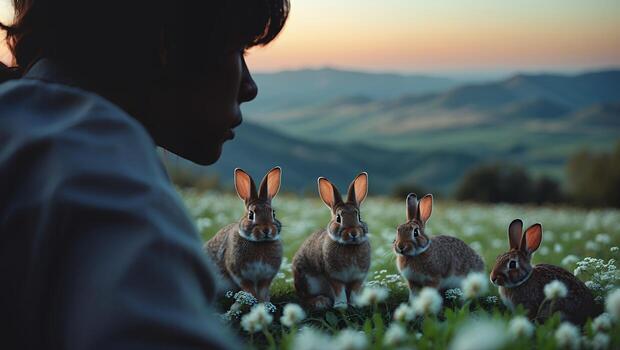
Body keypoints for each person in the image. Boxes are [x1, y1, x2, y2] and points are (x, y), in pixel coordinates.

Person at [0, 0, 289, 349]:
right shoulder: (101, 169)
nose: (250, 87)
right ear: (169, 41)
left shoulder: (21, 128)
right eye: (237, 49)